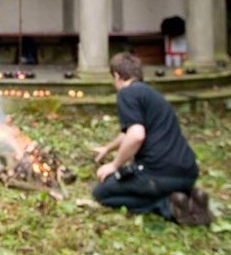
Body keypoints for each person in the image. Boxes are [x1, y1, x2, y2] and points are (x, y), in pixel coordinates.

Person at [90, 52, 211, 225]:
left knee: (102, 193)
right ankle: (187, 198)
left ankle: (166, 206)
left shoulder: (127, 93)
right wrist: (108, 148)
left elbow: (136, 135)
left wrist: (114, 165)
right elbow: (128, 133)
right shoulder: (152, 95)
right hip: (188, 172)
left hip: (157, 174)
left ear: (117, 76)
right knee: (151, 184)